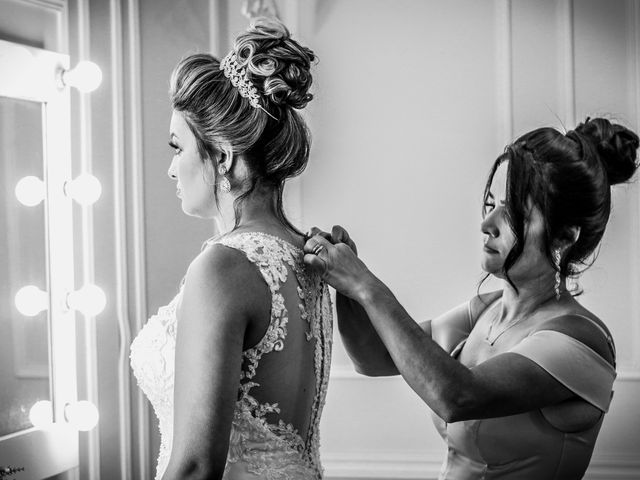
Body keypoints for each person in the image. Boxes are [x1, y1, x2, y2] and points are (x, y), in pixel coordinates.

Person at [304, 117, 639, 479]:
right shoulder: (485, 312)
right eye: (491, 203)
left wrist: (366, 286)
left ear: (564, 237)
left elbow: (456, 396)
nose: (486, 223)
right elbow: (374, 358)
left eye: (511, 212)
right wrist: (348, 285)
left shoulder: (580, 339)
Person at [130, 18, 333, 480]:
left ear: (221, 155)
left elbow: (197, 466)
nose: (171, 170)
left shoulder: (223, 266)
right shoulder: (307, 257)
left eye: (176, 147)